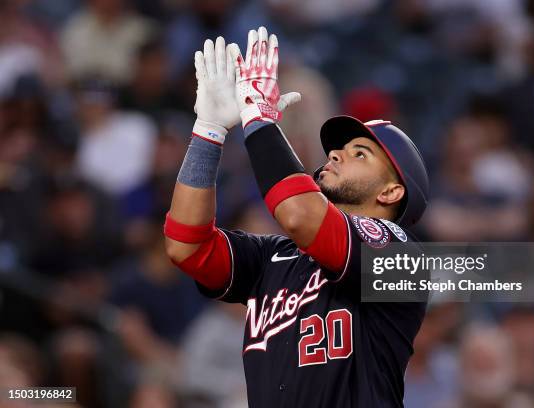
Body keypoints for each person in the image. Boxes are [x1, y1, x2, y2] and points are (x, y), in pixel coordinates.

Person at [163, 26, 429, 407]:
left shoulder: (401, 256)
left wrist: (259, 118)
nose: (335, 154)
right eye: (339, 149)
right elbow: (187, 246)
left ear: (390, 192)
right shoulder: (276, 256)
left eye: (360, 154)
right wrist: (208, 133)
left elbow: (300, 215)